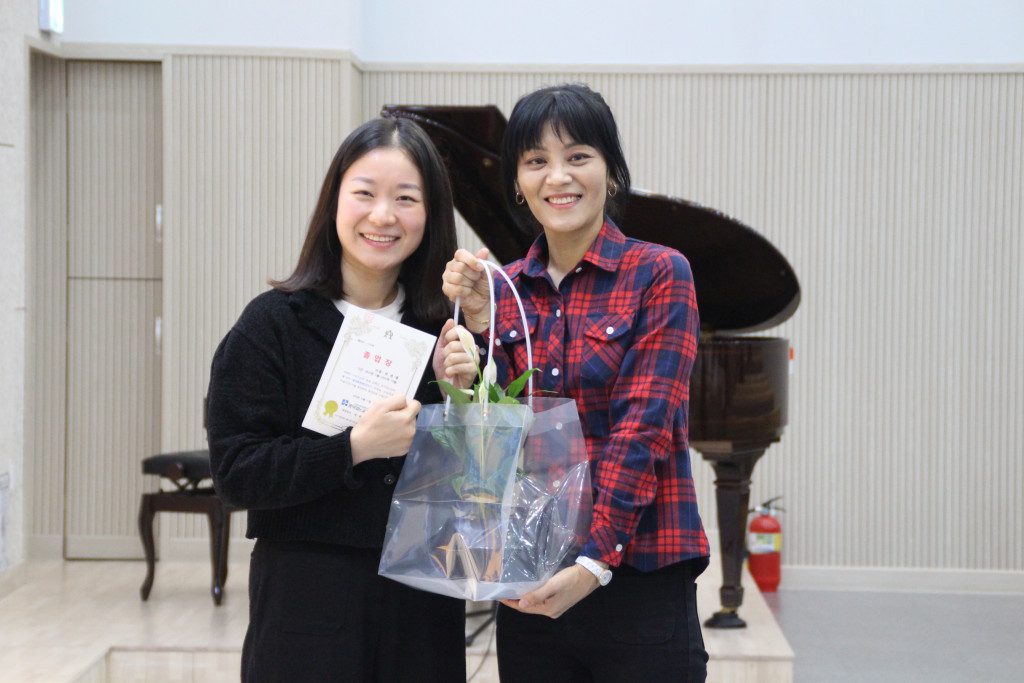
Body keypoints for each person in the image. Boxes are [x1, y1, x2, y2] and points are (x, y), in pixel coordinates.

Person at [440, 83, 711, 682]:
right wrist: (476, 338)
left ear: (611, 171)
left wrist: (594, 562)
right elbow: (498, 437)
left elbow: (642, 430)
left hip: (638, 574)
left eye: (578, 156)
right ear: (518, 183)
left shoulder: (659, 273)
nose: (558, 176)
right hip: (532, 577)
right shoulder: (502, 288)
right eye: (536, 161)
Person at [207, 117, 468, 682]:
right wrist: (352, 448)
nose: (383, 215)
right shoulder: (272, 324)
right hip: (307, 598)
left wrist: (462, 396)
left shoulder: (449, 333)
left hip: (422, 605)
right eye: (365, 193)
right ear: (334, 203)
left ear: (431, 215)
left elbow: (482, 482)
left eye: (406, 198)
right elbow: (236, 475)